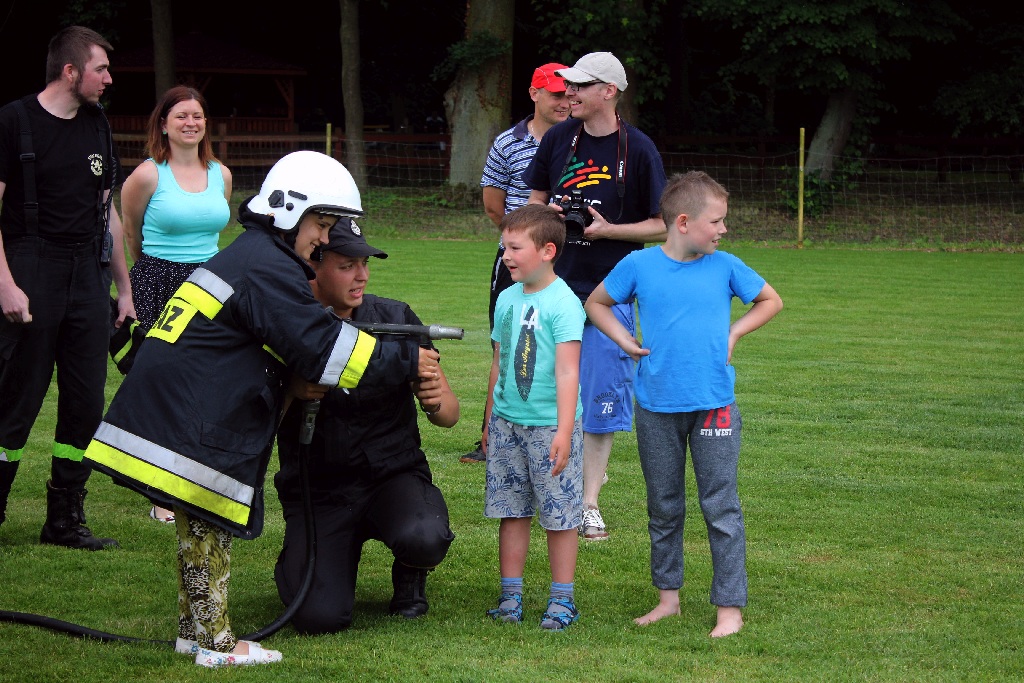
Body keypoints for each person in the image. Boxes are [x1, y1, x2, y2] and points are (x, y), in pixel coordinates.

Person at [84, 151, 437, 667]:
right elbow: (325, 350)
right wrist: (408, 357)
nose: (323, 239)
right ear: (289, 211)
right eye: (321, 224)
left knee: (197, 525)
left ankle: (196, 630)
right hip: (194, 416)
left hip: (176, 407)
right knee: (208, 523)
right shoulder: (268, 267)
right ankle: (218, 644)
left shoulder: (252, 255)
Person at [584, 171, 783, 637]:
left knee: (721, 506)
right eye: (717, 221)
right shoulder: (639, 265)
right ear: (684, 221)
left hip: (714, 404)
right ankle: (667, 598)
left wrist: (735, 330)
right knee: (664, 504)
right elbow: (596, 303)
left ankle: (729, 607)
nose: (723, 229)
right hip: (656, 405)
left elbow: (770, 300)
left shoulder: (727, 265)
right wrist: (626, 342)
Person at [274, 218, 458, 633]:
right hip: (319, 488)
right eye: (346, 266)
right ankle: (306, 560)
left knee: (425, 536)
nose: (362, 276)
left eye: (365, 263)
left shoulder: (395, 318)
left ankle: (411, 571)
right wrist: (292, 390)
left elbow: (449, 415)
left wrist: (434, 400)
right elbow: (253, 419)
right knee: (317, 617)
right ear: (311, 265)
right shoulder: (285, 324)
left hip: (391, 476)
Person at [523, 52, 668, 541]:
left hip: (611, 293)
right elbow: (532, 204)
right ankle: (551, 491)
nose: (570, 93)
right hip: (552, 287)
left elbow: (665, 223)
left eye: (580, 86)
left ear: (609, 91)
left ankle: (588, 504)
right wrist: (550, 221)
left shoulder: (641, 149)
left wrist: (610, 231)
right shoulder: (559, 139)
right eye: (567, 86)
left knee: (602, 398)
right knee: (545, 392)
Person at [0, 26, 134, 550]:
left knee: (84, 402)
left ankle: (64, 519)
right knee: (17, 397)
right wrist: (6, 284)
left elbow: (109, 214)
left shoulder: (97, 124)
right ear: (71, 71)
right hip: (31, 267)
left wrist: (122, 288)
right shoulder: (13, 122)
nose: (108, 79)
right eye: (100, 69)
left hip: (87, 275)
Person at [121, 85, 232, 525]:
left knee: (207, 383)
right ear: (163, 124)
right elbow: (131, 233)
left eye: (198, 116)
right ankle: (159, 490)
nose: (191, 123)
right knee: (163, 387)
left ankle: (195, 478)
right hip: (157, 281)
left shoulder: (220, 174)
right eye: (181, 115)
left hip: (209, 284)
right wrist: (147, 280)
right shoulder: (148, 176)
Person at [461, 62, 569, 465]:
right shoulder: (508, 143)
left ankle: (557, 431)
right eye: (555, 93)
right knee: (504, 344)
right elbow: (493, 205)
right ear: (534, 93)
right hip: (516, 261)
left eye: (568, 93)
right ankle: (491, 436)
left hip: (564, 259)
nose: (563, 101)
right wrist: (521, 241)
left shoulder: (579, 141)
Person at [482, 205, 585, 630]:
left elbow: (567, 370)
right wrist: (489, 419)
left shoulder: (564, 303)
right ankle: (511, 596)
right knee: (512, 510)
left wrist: (563, 430)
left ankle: (562, 600)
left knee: (559, 515)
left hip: (549, 426)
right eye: (504, 246)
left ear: (547, 250)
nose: (506, 255)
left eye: (514, 247)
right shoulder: (507, 298)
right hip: (508, 422)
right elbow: (499, 360)